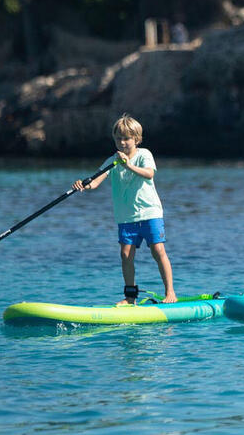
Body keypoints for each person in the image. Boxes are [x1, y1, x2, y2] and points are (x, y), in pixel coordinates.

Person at [72, 114, 178, 305]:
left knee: (157, 250)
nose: (122, 142)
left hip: (150, 213)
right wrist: (82, 185)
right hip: (126, 217)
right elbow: (95, 182)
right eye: (118, 138)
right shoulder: (112, 161)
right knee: (125, 255)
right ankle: (130, 298)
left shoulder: (144, 155)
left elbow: (149, 174)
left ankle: (170, 293)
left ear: (136, 139)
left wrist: (128, 165)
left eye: (126, 138)